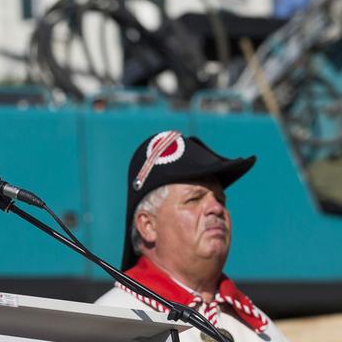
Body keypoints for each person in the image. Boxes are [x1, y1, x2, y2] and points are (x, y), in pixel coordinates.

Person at [95, 130, 289, 342]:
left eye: (220, 200)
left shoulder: (261, 328)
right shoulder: (109, 321)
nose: (216, 208)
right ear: (147, 225)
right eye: (194, 199)